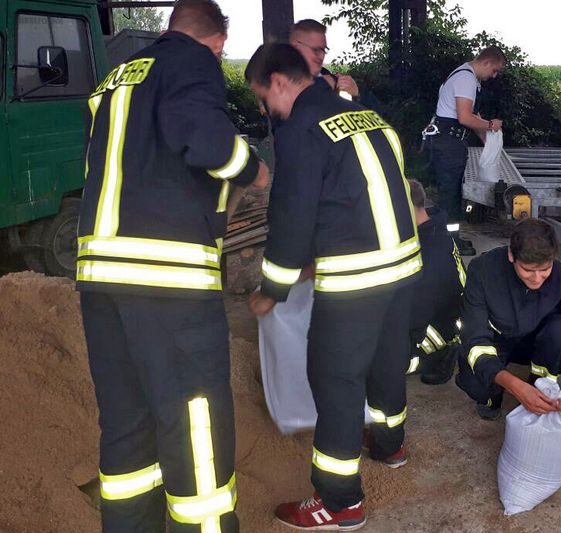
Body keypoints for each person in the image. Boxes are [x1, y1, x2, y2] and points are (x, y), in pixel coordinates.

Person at [77, 1, 268, 531]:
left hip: (100, 278)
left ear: (169, 28)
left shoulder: (116, 79)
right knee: (196, 422)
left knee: (127, 424)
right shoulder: (189, 63)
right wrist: (253, 170)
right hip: (168, 279)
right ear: (217, 43)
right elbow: (207, 143)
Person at [246, 43, 420, 531]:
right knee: (387, 360)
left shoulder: (301, 129)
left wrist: (272, 290)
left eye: (264, 97)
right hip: (402, 267)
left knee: (336, 380)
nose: (267, 109)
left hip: (354, 280)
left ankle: (339, 502)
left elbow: (292, 218)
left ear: (280, 81)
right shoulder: (368, 117)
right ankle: (391, 446)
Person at [455, 219, 561, 421]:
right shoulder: (482, 271)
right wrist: (513, 385)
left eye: (544, 270)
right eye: (527, 270)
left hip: (539, 344)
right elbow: (474, 339)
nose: (536, 279)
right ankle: (493, 396)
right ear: (511, 255)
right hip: (496, 340)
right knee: (476, 383)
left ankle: (540, 388)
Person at [426, 47, 506, 222]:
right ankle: (451, 242)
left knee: (451, 194)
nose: (494, 76)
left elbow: (470, 116)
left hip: (446, 140)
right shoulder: (466, 79)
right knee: (450, 197)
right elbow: (464, 117)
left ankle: (448, 237)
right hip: (449, 143)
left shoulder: (463, 74)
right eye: (495, 70)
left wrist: (484, 134)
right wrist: (491, 125)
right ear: (486, 62)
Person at [406, 179, 465, 384]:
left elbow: (418, 310)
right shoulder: (432, 229)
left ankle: (440, 356)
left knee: (383, 362)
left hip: (439, 326)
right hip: (440, 312)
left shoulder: (430, 251)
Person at [289, 18, 361, 100]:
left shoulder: (335, 81)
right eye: (315, 50)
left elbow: (377, 109)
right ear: (295, 48)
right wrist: (323, 83)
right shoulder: (277, 83)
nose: (321, 56)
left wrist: (356, 94)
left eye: (324, 50)